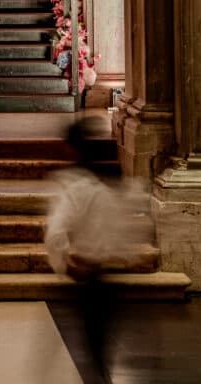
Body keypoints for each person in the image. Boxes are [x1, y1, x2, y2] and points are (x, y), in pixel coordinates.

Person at [45, 117, 155, 384]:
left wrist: (64, 263)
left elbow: (56, 231)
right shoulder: (111, 182)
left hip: (86, 273)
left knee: (90, 347)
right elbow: (136, 220)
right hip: (109, 278)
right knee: (101, 347)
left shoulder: (75, 186)